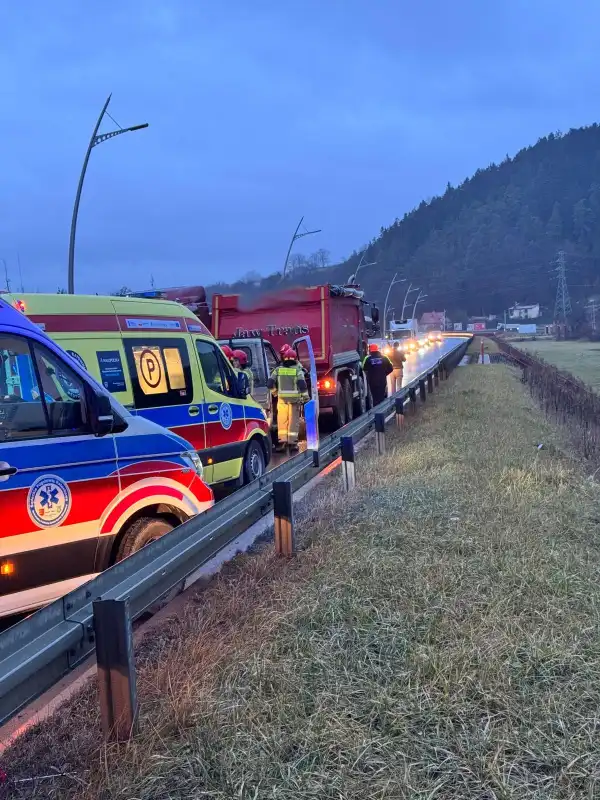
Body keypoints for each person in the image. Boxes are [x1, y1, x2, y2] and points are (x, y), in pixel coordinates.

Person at [267, 344, 308, 451]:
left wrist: (275, 392)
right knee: (293, 422)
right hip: (294, 401)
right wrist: (305, 398)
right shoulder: (298, 371)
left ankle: (282, 443)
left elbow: (270, 383)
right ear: (295, 359)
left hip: (282, 401)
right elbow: (302, 385)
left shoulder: (278, 370)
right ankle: (293, 443)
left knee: (282, 421)